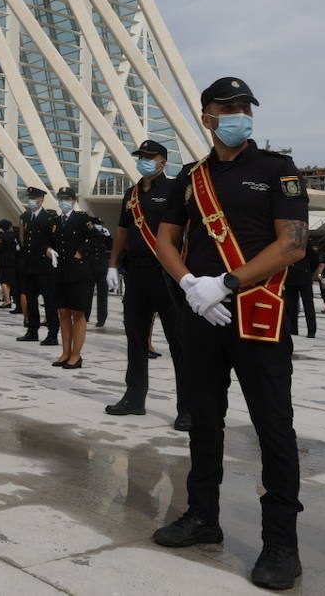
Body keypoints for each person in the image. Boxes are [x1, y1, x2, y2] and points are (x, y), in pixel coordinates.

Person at [150, 76, 309, 591]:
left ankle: (281, 543)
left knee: (273, 428)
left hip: (258, 313)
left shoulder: (277, 170)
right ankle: (202, 516)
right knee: (204, 421)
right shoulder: (190, 177)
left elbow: (293, 245)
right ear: (208, 116)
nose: (240, 113)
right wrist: (191, 283)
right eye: (229, 106)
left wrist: (226, 282)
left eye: (245, 106)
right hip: (203, 314)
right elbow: (165, 237)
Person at [106, 138, 189, 430]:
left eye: (149, 157)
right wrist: (113, 265)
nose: (144, 161)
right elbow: (122, 230)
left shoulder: (176, 189)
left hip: (166, 275)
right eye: (141, 156)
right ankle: (134, 397)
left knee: (179, 343)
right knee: (136, 340)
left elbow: (186, 231)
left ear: (163, 161)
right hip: (137, 275)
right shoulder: (131, 194)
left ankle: (187, 408)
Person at [50, 187, 94, 369]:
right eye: (61, 199)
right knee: (63, 312)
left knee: (78, 312)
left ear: (74, 200)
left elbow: (95, 238)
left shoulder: (83, 219)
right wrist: (48, 249)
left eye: (67, 198)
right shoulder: (54, 222)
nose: (63, 202)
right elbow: (48, 240)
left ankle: (76, 355)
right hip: (60, 271)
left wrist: (80, 253)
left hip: (79, 272)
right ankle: (65, 352)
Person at [16, 187, 58, 345]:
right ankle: (32, 331)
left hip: (45, 266)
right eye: (30, 198)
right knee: (31, 300)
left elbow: (54, 242)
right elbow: (23, 239)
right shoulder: (25, 217)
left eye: (35, 198)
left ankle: (52, 334)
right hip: (28, 265)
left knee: (49, 301)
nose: (32, 200)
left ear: (42, 199)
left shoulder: (49, 218)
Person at [285, 241, 320, 339]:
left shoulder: (307, 245)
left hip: (304, 278)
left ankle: (311, 330)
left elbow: (315, 261)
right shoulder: (287, 243)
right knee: (291, 306)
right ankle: (293, 329)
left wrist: (308, 271)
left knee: (308, 305)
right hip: (290, 277)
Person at [0, 218, 18, 309]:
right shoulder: (14, 235)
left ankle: (7, 301)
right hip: (13, 260)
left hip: (4, 260)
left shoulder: (2, 235)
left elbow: (0, 248)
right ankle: (7, 300)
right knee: (9, 281)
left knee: (3, 281)